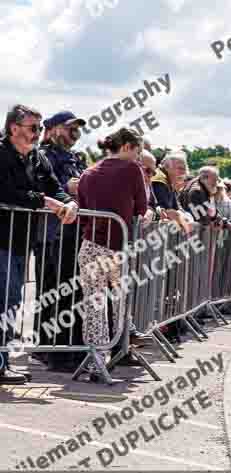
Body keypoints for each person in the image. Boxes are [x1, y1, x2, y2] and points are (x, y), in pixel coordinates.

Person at [0, 104, 77, 383]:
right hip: (2, 240)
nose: (37, 134)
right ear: (14, 128)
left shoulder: (37, 158)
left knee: (11, 302)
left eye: (40, 128)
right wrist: (44, 201)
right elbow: (7, 192)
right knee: (4, 301)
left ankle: (2, 361)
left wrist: (69, 204)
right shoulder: (1, 154)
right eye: (33, 128)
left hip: (22, 241)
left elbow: (54, 186)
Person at [77, 127, 148, 379]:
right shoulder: (132, 170)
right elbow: (142, 206)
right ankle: (124, 342)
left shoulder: (88, 173)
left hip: (90, 246)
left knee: (94, 307)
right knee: (120, 301)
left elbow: (83, 211)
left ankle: (96, 360)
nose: (138, 157)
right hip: (116, 249)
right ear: (127, 146)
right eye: (137, 151)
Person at [34, 111, 88, 371]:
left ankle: (61, 348)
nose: (74, 132)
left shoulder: (77, 158)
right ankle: (51, 349)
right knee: (53, 292)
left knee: (70, 291)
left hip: (73, 232)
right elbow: (46, 186)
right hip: (51, 234)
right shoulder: (44, 155)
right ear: (53, 129)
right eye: (69, 127)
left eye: (77, 128)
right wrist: (70, 188)